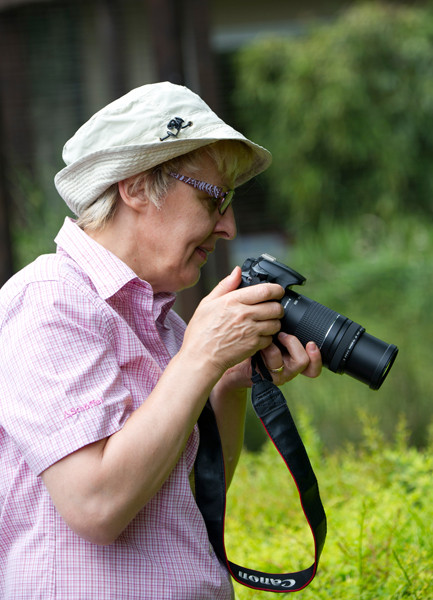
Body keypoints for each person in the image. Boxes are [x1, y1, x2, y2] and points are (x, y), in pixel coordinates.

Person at [0, 82, 322, 599]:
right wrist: (201, 357)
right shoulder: (50, 301)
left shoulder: (163, 323)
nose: (228, 227)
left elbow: (189, 500)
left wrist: (230, 382)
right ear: (134, 187)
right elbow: (97, 505)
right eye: (213, 198)